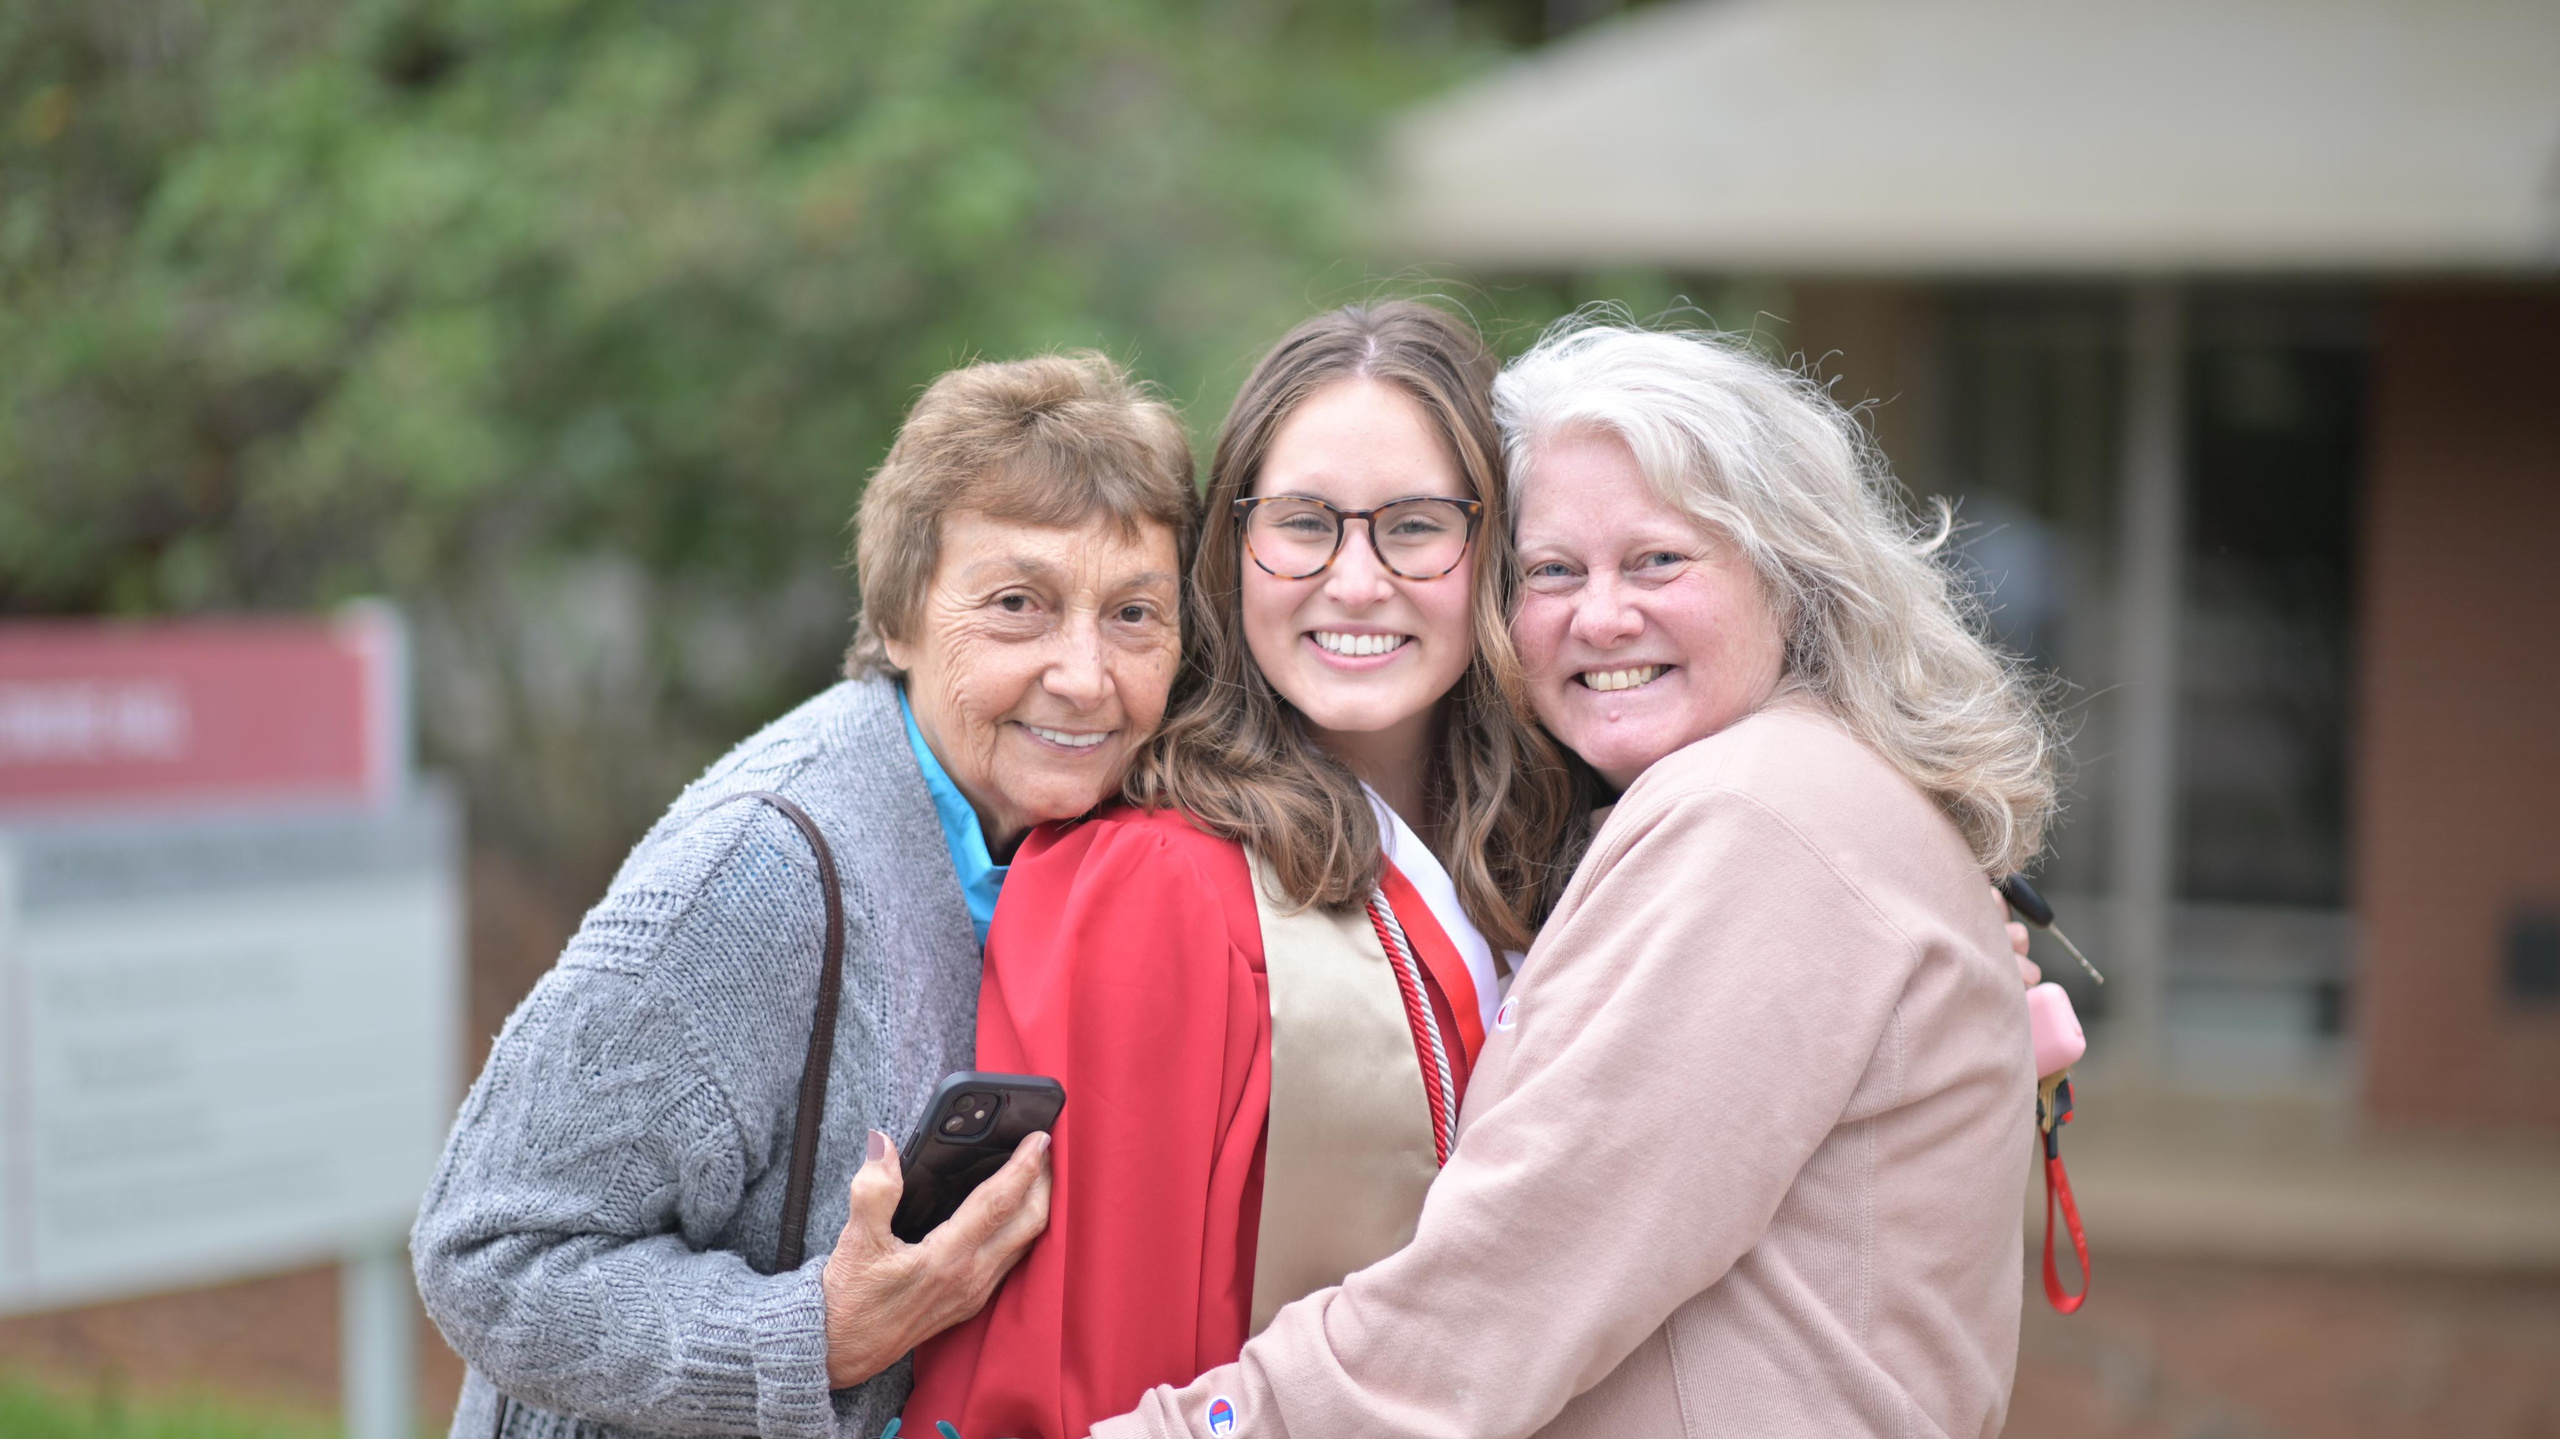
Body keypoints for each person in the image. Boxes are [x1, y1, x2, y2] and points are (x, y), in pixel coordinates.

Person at [1091, 317, 2061, 1439]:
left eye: (1657, 559)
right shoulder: (1794, 793)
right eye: (1552, 569)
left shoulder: (1748, 814)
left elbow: (1490, 1304)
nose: (1601, 615)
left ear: (1792, 576)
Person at [411, 352, 1198, 1439]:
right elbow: (488, 1251)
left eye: (1132, 614)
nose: (1084, 673)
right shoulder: (756, 872)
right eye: (1018, 603)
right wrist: (815, 1332)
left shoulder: (1087, 834)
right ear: (900, 617)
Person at [900, 301, 1585, 1439]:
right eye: (1304, 522)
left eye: (1414, 526)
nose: (1355, 581)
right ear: (1232, 544)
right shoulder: (1153, 881)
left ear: (1495, 546)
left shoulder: (1545, 855)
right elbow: (1084, 1364)